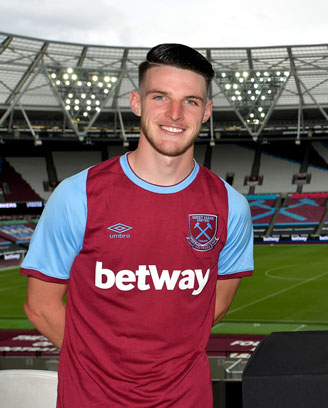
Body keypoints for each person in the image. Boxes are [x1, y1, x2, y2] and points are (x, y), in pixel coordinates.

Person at [21, 43, 254, 407]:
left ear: (206, 111)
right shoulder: (77, 195)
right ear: (136, 102)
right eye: (160, 96)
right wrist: (103, 366)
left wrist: (162, 364)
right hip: (92, 398)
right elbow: (40, 305)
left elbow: (214, 306)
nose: (175, 114)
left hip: (185, 397)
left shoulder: (231, 207)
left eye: (191, 101)